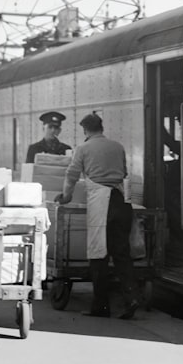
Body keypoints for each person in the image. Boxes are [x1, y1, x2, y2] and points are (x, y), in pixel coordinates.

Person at [56, 113, 139, 319]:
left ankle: (101, 307)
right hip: (121, 201)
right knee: (121, 253)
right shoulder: (117, 146)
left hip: (101, 203)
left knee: (98, 254)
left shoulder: (83, 148)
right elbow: (125, 173)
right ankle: (132, 297)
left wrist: (66, 196)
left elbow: (72, 174)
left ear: (85, 130)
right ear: (101, 128)